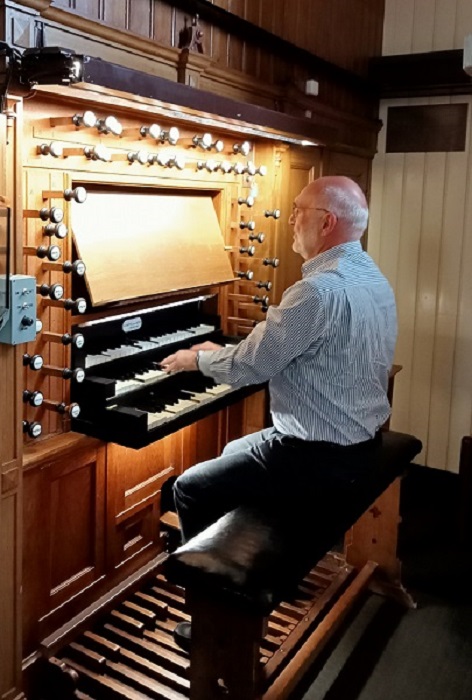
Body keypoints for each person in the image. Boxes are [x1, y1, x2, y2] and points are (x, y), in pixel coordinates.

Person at [161, 173, 397, 557]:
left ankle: (213, 586)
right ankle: (245, 548)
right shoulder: (370, 275)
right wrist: (236, 348)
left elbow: (252, 366)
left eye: (298, 210)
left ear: (327, 222)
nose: (290, 220)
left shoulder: (316, 291)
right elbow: (300, 343)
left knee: (189, 487)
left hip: (317, 457)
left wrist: (196, 360)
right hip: (361, 445)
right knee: (233, 449)